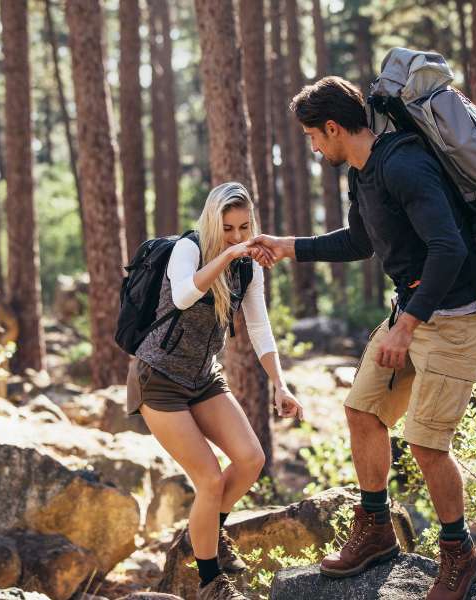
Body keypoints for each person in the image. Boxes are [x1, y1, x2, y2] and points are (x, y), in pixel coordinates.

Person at [253, 77, 476, 600]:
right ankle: (377, 530)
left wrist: (406, 327)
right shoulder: (363, 176)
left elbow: (448, 249)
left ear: (334, 128)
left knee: (427, 444)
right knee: (363, 410)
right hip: (413, 308)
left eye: (312, 137)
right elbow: (361, 241)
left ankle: (460, 555)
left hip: (457, 317)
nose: (313, 147)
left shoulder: (405, 165)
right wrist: (286, 246)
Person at [126, 181, 303, 600]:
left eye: (245, 227)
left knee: (250, 458)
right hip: (159, 379)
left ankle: (207, 531)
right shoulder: (186, 250)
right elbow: (186, 295)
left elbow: (259, 327)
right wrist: (225, 255)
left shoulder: (249, 265)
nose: (239, 237)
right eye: (228, 228)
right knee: (207, 478)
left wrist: (281, 383)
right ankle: (210, 582)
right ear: (211, 222)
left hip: (203, 376)